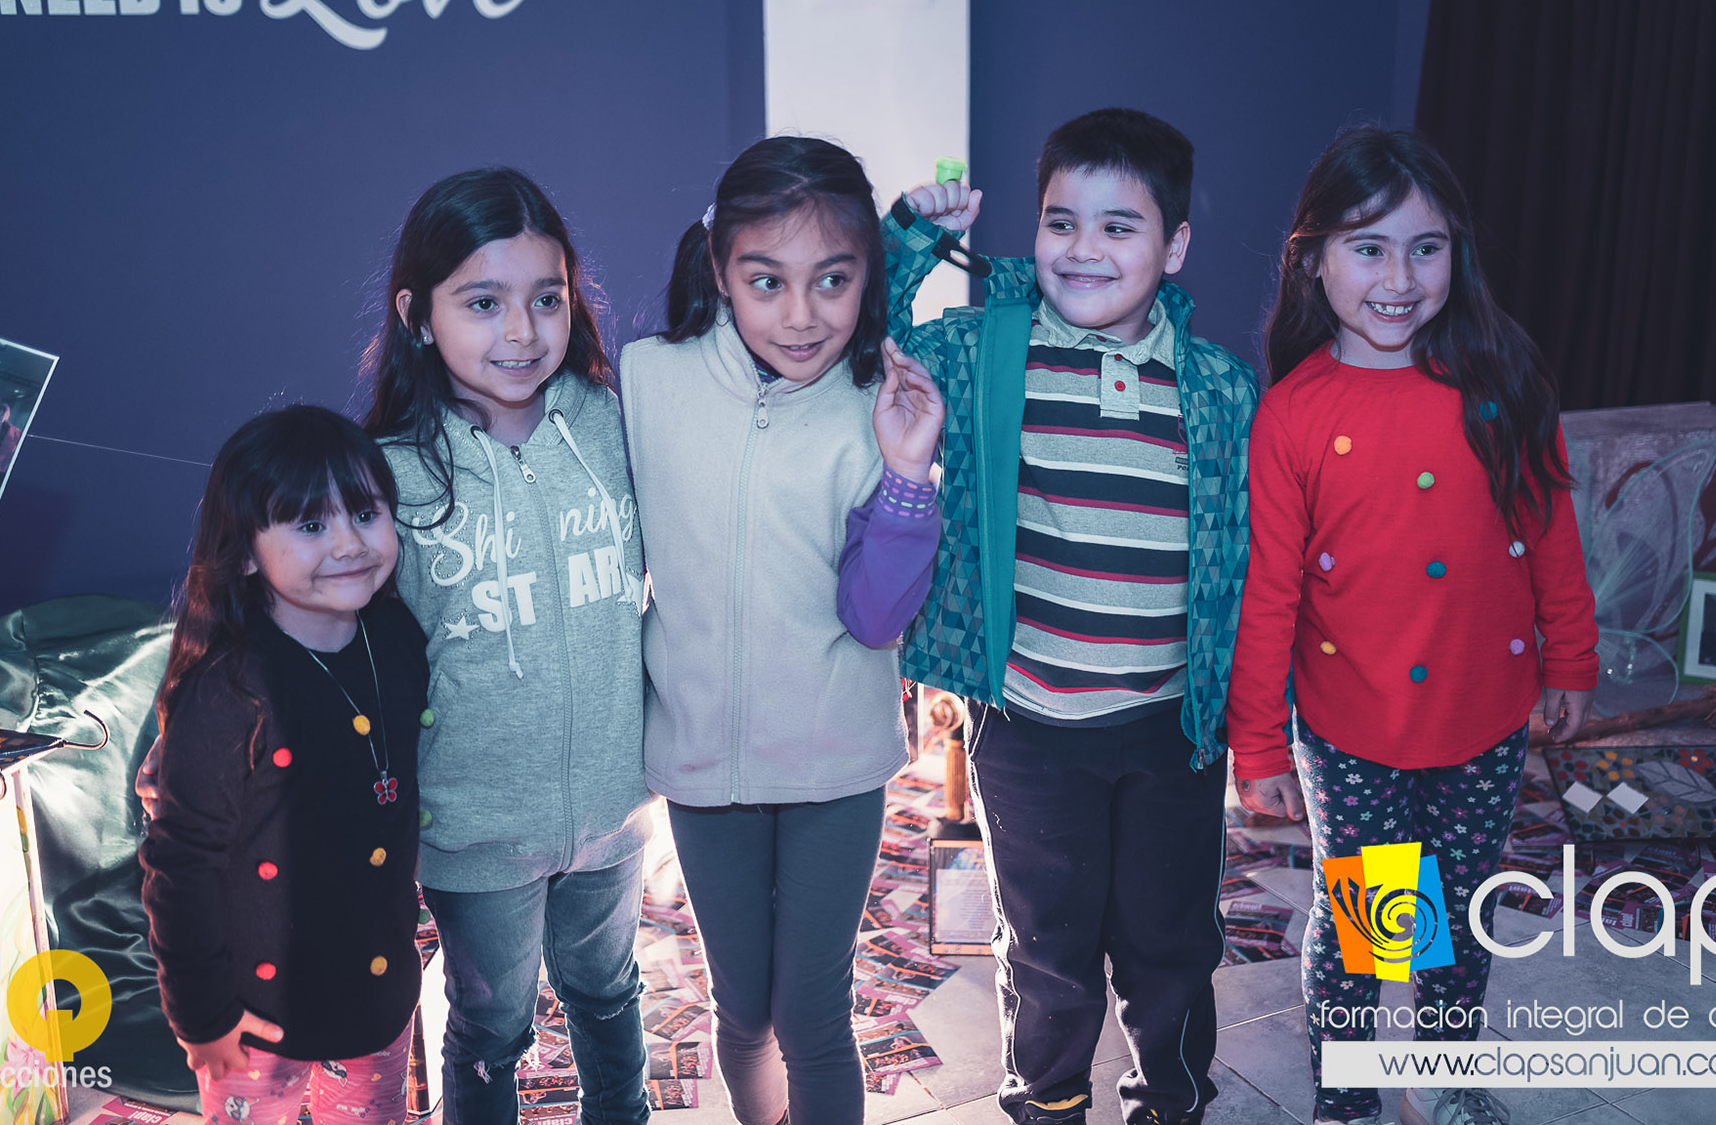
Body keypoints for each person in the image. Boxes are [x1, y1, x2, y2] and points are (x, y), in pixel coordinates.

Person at [885, 107, 1257, 1125]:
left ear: (1174, 245)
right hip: (1029, 723)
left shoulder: (1217, 386)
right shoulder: (986, 351)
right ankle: (1046, 1103)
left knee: (1170, 938)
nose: (1083, 248)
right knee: (1048, 943)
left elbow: (1245, 556)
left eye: (1117, 226)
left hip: (1174, 726)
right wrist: (911, 239)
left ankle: (1168, 1098)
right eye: (1061, 221)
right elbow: (863, 344)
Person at [1226, 126, 1599, 1125]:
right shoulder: (1294, 414)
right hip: (1356, 724)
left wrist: (1571, 658)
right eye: (1368, 247)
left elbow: (1549, 534)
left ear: (1455, 255)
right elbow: (1269, 594)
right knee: (1375, 931)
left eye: (1424, 248)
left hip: (1486, 713)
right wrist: (1256, 741)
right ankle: (1348, 1095)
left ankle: (1441, 1078)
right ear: (1313, 258)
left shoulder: (1501, 380)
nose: (1398, 279)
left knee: (1460, 920)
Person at [622, 135, 944, 1125]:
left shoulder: (879, 401)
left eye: (831, 281)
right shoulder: (648, 379)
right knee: (744, 1009)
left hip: (832, 768)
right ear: (719, 267)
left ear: (866, 280)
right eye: (767, 281)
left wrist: (906, 475)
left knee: (811, 1015)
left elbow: (877, 617)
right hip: (701, 765)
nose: (801, 315)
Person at [363, 167, 654, 1125]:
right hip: (474, 829)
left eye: (546, 299)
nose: (522, 332)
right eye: (483, 303)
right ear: (417, 314)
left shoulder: (611, 426)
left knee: (608, 989)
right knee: (492, 1022)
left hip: (612, 805)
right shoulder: (391, 477)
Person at [140, 404, 429, 1125]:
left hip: (376, 990)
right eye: (309, 525)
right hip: (255, 1016)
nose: (349, 543)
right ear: (244, 552)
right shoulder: (229, 689)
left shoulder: (398, 637)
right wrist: (201, 1017)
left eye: (365, 513)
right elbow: (180, 864)